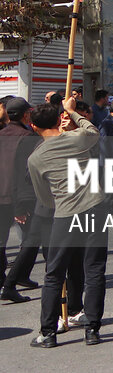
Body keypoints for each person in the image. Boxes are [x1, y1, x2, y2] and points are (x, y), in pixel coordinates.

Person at [27, 95, 108, 347]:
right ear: (58, 119)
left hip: (65, 213)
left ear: (34, 127)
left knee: (54, 274)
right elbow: (92, 130)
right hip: (95, 207)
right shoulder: (76, 139)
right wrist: (72, 111)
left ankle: (48, 333)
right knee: (94, 269)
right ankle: (92, 330)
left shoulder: (36, 159)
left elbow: (44, 197)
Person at [0, 97, 39, 303]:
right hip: (18, 198)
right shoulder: (27, 137)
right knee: (31, 240)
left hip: (3, 196)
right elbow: (25, 173)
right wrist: (23, 204)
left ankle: (10, 280)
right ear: (25, 115)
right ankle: (11, 283)